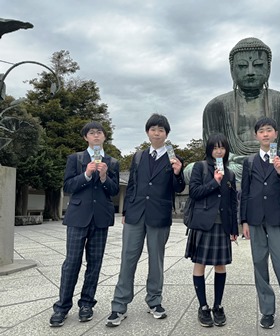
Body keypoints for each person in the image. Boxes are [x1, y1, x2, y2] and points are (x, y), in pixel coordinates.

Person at [196, 37, 280, 182]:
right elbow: (212, 148)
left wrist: (272, 157)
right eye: (242, 66)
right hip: (234, 164)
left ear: (269, 68)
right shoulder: (216, 106)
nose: (250, 72)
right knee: (194, 170)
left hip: (274, 161)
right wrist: (232, 157)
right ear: (232, 70)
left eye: (258, 65)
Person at [106, 114, 185, 327]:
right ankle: (119, 305)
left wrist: (178, 173)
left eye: (161, 130)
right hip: (135, 215)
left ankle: (154, 301)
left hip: (158, 216)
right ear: (147, 132)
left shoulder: (173, 158)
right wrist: (126, 211)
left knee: (156, 261)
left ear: (166, 134)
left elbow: (178, 188)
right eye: (153, 129)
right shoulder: (139, 156)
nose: (157, 133)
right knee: (127, 259)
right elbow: (132, 185)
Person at [50, 121, 120, 327]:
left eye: (100, 133)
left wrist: (104, 176)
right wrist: (87, 174)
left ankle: (87, 304)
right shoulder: (76, 158)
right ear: (86, 138)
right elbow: (68, 186)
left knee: (95, 263)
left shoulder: (112, 161)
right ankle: (62, 307)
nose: (96, 136)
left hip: (101, 217)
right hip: (78, 216)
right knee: (72, 262)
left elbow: (115, 190)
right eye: (92, 133)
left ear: (105, 137)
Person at [240, 117, 280, 330]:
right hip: (256, 220)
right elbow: (245, 193)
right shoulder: (248, 162)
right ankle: (267, 311)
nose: (265, 134)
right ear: (256, 135)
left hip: (279, 218)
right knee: (259, 264)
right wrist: (244, 220)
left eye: (269, 130)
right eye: (261, 131)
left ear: (276, 133)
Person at [185, 133, 239, 327]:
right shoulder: (200, 167)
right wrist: (214, 182)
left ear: (226, 150)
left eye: (222, 148)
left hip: (221, 224)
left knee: (220, 266)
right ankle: (203, 306)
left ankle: (217, 305)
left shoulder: (231, 173)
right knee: (199, 264)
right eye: (215, 148)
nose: (218, 151)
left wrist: (234, 227)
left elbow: (233, 202)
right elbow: (194, 193)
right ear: (209, 149)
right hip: (202, 223)